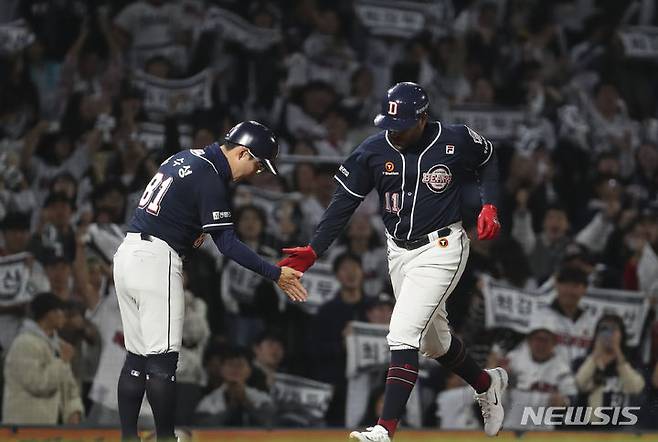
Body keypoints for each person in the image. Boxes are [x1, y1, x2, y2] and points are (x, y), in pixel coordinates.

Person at [279, 82, 507, 440]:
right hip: (398, 251)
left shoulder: (455, 139)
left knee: (401, 333)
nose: (393, 131)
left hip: (443, 247)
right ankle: (486, 383)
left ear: (423, 118)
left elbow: (489, 157)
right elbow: (343, 204)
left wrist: (489, 203)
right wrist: (313, 249)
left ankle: (384, 430)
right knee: (435, 344)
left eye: (401, 125)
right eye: (388, 123)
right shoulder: (371, 150)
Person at [113, 120, 308, 441]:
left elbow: (169, 209)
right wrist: (275, 273)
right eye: (258, 166)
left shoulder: (182, 157)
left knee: (136, 358)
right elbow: (228, 244)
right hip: (156, 260)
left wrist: (192, 230)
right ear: (244, 153)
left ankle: (128, 438)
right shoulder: (210, 177)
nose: (256, 173)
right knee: (162, 361)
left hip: (128, 252)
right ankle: (165, 438)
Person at [2, 292, 83, 425]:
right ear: (48, 314)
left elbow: (69, 386)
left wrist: (73, 410)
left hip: (52, 429)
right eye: (60, 311)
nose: (63, 316)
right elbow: (38, 383)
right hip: (24, 430)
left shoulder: (59, 345)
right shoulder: (24, 343)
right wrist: (62, 362)